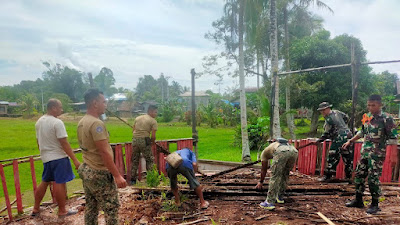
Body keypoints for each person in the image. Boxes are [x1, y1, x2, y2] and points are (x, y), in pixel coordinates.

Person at [77, 89, 127, 225]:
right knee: (111, 209)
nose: (106, 105)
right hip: (99, 172)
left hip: (87, 169)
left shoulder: (82, 121)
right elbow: (104, 152)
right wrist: (117, 175)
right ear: (95, 103)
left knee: (91, 207)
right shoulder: (96, 124)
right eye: (103, 102)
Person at [342, 95, 398, 214]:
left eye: (373, 105)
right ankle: (358, 200)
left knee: (373, 178)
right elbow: (362, 132)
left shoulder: (387, 118)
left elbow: (393, 138)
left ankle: (375, 204)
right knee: (359, 175)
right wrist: (350, 141)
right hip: (365, 152)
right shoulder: (366, 116)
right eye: (368, 105)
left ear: (380, 105)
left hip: (377, 154)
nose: (370, 107)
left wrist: (393, 155)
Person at [32, 99, 80, 218]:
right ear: (53, 108)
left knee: (45, 181)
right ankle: (62, 210)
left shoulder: (39, 122)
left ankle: (35, 208)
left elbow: (38, 141)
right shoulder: (57, 122)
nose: (61, 110)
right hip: (58, 157)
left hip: (46, 157)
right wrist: (75, 159)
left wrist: (44, 154)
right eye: (60, 107)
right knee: (59, 182)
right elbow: (64, 142)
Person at [313, 102, 353, 182]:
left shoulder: (329, 119)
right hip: (348, 136)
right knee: (347, 157)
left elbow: (327, 132)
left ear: (328, 109)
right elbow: (346, 118)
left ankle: (328, 176)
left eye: (324, 110)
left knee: (333, 156)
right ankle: (349, 177)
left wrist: (320, 139)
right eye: (321, 111)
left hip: (339, 138)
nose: (322, 112)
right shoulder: (337, 112)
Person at [256, 138, 298, 210]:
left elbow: (264, 169)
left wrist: (261, 182)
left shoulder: (264, 153)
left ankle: (269, 202)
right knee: (285, 175)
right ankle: (280, 197)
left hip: (281, 151)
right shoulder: (275, 145)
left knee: (275, 176)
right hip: (294, 151)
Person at [130, 105, 158, 185]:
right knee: (149, 159)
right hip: (144, 140)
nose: (156, 114)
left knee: (135, 159)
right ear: (150, 111)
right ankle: (151, 179)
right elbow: (153, 136)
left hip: (135, 140)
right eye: (155, 112)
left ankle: (132, 180)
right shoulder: (153, 121)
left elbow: (133, 130)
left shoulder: (138, 118)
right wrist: (152, 142)